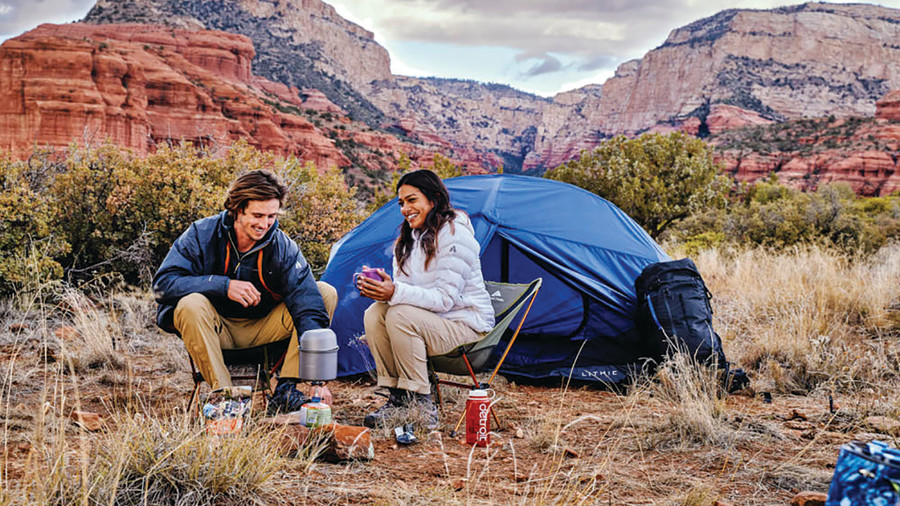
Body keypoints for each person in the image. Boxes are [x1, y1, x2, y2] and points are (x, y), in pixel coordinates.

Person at [152, 169, 337, 414]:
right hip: (215, 328)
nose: (264, 224)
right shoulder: (201, 234)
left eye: (271, 216)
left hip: (263, 329)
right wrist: (223, 286)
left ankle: (286, 390)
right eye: (257, 215)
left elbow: (309, 307)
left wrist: (317, 378)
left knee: (323, 293)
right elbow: (163, 285)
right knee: (191, 303)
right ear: (237, 209)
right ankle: (226, 397)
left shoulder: (283, 247)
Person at [357, 169, 494, 428]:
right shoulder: (408, 241)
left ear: (433, 199)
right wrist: (386, 289)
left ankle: (421, 405)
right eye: (401, 203)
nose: (405, 208)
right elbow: (406, 295)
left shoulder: (455, 234)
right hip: (432, 325)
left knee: (399, 313)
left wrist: (395, 292)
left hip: (467, 329)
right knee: (375, 313)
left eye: (412, 200)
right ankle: (398, 398)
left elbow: (444, 299)